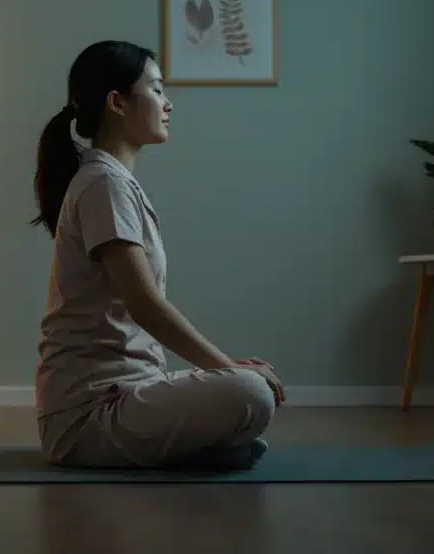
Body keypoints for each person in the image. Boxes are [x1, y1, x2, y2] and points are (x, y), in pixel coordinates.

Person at [30, 40, 285, 471]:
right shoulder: (103, 185)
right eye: (157, 89)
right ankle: (198, 445)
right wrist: (226, 371)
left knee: (244, 381)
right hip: (88, 416)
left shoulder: (112, 182)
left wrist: (226, 370)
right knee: (251, 393)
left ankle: (197, 444)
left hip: (132, 391)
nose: (169, 104)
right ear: (118, 102)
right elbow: (145, 304)